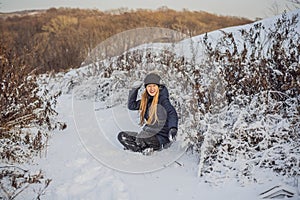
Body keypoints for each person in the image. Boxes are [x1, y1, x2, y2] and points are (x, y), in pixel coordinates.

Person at [117, 72, 178, 153]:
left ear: (158, 87)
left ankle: (140, 148)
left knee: (141, 138)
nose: (152, 89)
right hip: (147, 135)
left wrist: (173, 128)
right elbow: (131, 105)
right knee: (122, 136)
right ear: (146, 88)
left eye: (154, 86)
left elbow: (172, 113)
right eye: (149, 86)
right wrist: (134, 89)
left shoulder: (163, 100)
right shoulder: (146, 100)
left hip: (160, 137)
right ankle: (142, 149)